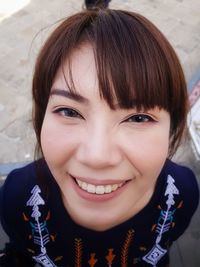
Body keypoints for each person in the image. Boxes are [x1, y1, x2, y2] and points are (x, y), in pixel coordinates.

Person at [0, 4, 199, 267]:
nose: (97, 156)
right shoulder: (17, 197)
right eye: (69, 112)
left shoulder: (183, 194)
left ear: (173, 127)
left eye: (138, 118)